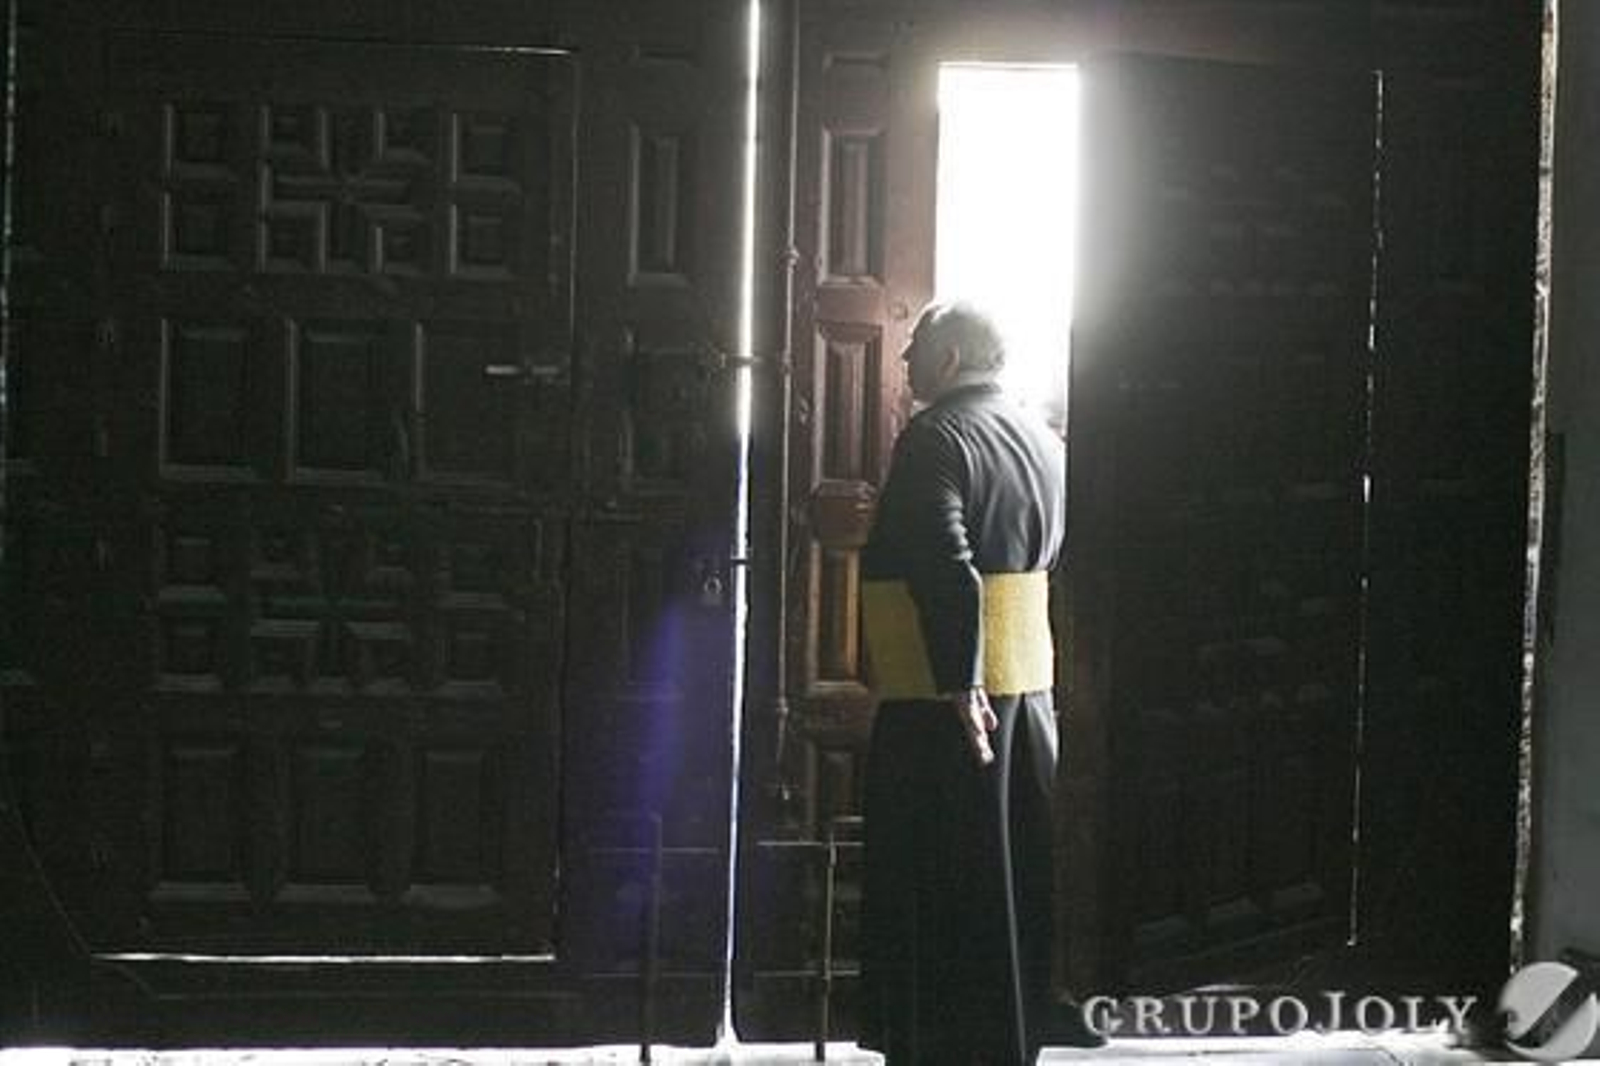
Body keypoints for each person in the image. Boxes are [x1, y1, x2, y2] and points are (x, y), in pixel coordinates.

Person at [857, 301, 1099, 1064]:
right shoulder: (1044, 439)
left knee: (941, 888)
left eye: (914, 353)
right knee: (1012, 881)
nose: (903, 368)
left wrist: (961, 688)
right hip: (1026, 697)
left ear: (951, 359)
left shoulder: (935, 438)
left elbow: (948, 572)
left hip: (946, 708)